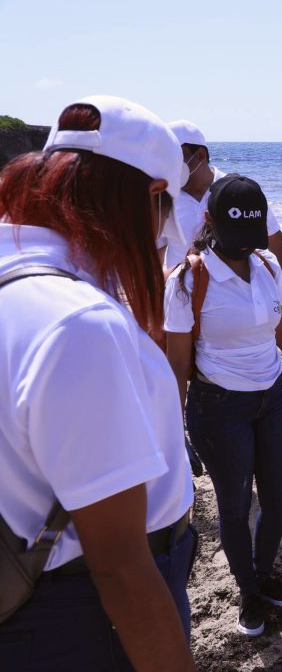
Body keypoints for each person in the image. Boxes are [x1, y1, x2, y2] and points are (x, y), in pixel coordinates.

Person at [0, 95, 196, 669]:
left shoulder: (21, 281)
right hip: (84, 611)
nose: (164, 235)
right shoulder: (78, 323)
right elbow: (120, 567)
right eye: (165, 213)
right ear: (151, 197)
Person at [164, 174, 282, 637]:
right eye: (235, 235)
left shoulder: (265, 264)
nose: (244, 246)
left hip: (273, 398)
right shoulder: (187, 281)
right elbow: (178, 364)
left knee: (279, 500)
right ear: (210, 222)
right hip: (218, 407)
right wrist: (175, 429)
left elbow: (278, 330)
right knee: (235, 505)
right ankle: (247, 590)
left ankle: (263, 574)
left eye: (251, 235)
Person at [158, 120, 282, 328]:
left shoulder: (235, 192)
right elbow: (153, 256)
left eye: (176, 158)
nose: (169, 166)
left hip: (230, 306)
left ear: (200, 156)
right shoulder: (165, 198)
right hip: (180, 303)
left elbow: (275, 241)